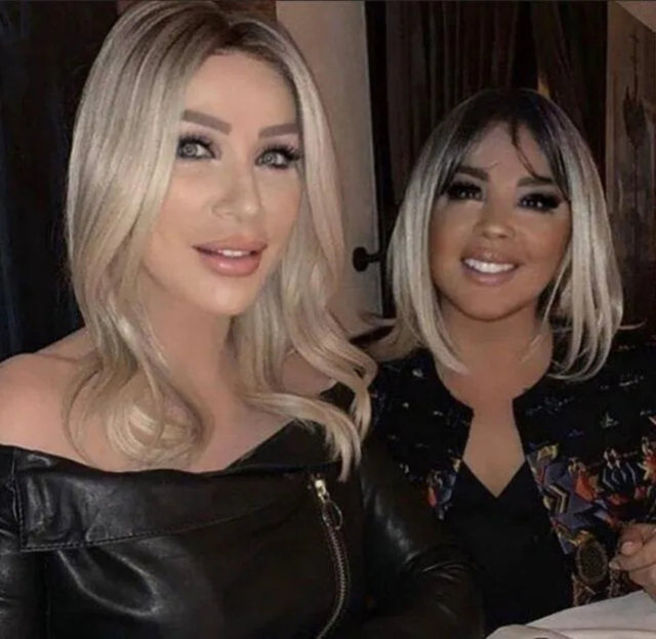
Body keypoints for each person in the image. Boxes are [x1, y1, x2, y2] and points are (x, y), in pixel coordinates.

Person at [0, 2, 483, 637]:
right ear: (114, 166)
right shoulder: (23, 414)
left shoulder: (311, 386)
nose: (247, 203)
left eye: (277, 156)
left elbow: (441, 579)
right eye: (194, 147)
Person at [368, 88, 656, 633]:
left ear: (574, 230)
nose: (495, 225)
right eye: (466, 190)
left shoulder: (640, 384)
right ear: (424, 213)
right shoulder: (351, 399)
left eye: (536, 200)